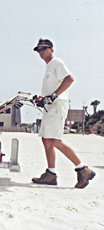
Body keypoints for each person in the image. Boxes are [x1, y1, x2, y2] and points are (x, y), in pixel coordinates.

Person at [31, 38, 95, 189]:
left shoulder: (57, 63)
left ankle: (83, 169)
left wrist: (54, 96)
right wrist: (43, 99)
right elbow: (52, 89)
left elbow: (69, 79)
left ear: (51, 49)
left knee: (55, 141)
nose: (41, 52)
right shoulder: (49, 67)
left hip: (57, 106)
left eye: (44, 49)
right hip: (50, 108)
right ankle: (51, 174)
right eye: (39, 50)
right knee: (46, 140)